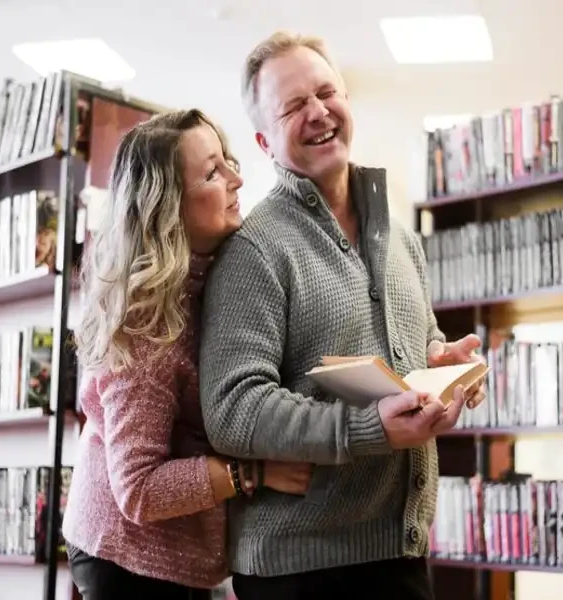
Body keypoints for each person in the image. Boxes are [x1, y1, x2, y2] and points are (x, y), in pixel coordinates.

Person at [198, 31, 487, 600]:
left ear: (347, 99)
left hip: (397, 553)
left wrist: (439, 363)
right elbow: (232, 409)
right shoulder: (254, 249)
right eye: (292, 106)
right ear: (264, 142)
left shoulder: (401, 238)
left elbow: (415, 339)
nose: (318, 113)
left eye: (326, 92)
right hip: (300, 572)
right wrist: (366, 428)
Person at [61, 109, 312, 600]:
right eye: (213, 173)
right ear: (168, 207)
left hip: (173, 555)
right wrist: (252, 475)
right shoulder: (149, 325)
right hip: (127, 557)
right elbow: (139, 489)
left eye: (229, 162)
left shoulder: (210, 277)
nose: (238, 178)